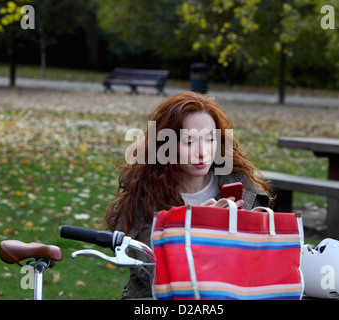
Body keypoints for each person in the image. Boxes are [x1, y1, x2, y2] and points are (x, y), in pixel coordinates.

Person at [104, 91, 273, 299]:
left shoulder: (245, 191)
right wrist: (194, 228)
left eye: (210, 139)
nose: (202, 152)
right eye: (189, 141)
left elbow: (259, 270)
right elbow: (152, 276)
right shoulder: (146, 198)